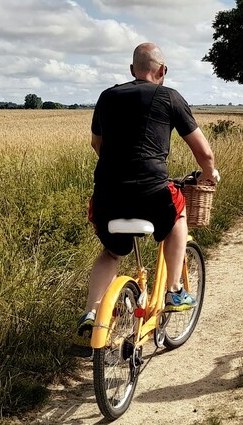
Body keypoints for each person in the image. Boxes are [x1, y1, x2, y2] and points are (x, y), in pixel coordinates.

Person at [75, 42, 219, 351]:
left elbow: (97, 144)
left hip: (106, 196)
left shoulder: (107, 97)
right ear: (162, 71)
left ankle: (91, 311)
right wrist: (209, 174)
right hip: (151, 191)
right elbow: (203, 152)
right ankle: (175, 290)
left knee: (111, 254)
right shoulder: (170, 97)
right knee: (178, 214)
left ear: (132, 71)